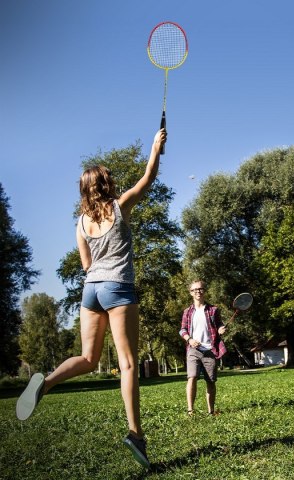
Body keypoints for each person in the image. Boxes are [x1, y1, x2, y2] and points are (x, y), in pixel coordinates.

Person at [16, 128, 167, 470]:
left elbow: (86, 265)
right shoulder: (120, 206)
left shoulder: (81, 223)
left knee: (88, 357)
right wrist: (155, 148)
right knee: (127, 364)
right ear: (105, 185)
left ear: (84, 191)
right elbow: (149, 178)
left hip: (91, 290)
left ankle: (48, 381)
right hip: (117, 286)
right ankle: (135, 433)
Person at [179, 280, 226, 416]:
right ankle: (190, 410)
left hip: (210, 350)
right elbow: (182, 330)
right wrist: (190, 339)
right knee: (192, 377)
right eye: (194, 290)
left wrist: (221, 330)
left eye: (200, 289)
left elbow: (219, 326)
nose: (197, 292)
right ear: (190, 293)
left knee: (210, 381)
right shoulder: (187, 312)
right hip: (193, 349)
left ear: (204, 291)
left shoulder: (213, 310)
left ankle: (211, 411)